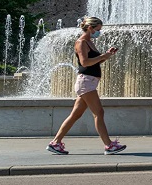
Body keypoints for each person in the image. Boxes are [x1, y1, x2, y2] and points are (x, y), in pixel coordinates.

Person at [46, 17, 126, 155]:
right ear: (90, 28)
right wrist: (102, 56)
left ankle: (55, 143)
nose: (99, 33)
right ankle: (109, 146)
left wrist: (106, 55)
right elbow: (85, 63)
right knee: (99, 113)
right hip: (86, 82)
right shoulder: (81, 42)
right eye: (98, 30)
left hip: (89, 81)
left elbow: (94, 62)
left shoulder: (89, 42)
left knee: (75, 115)